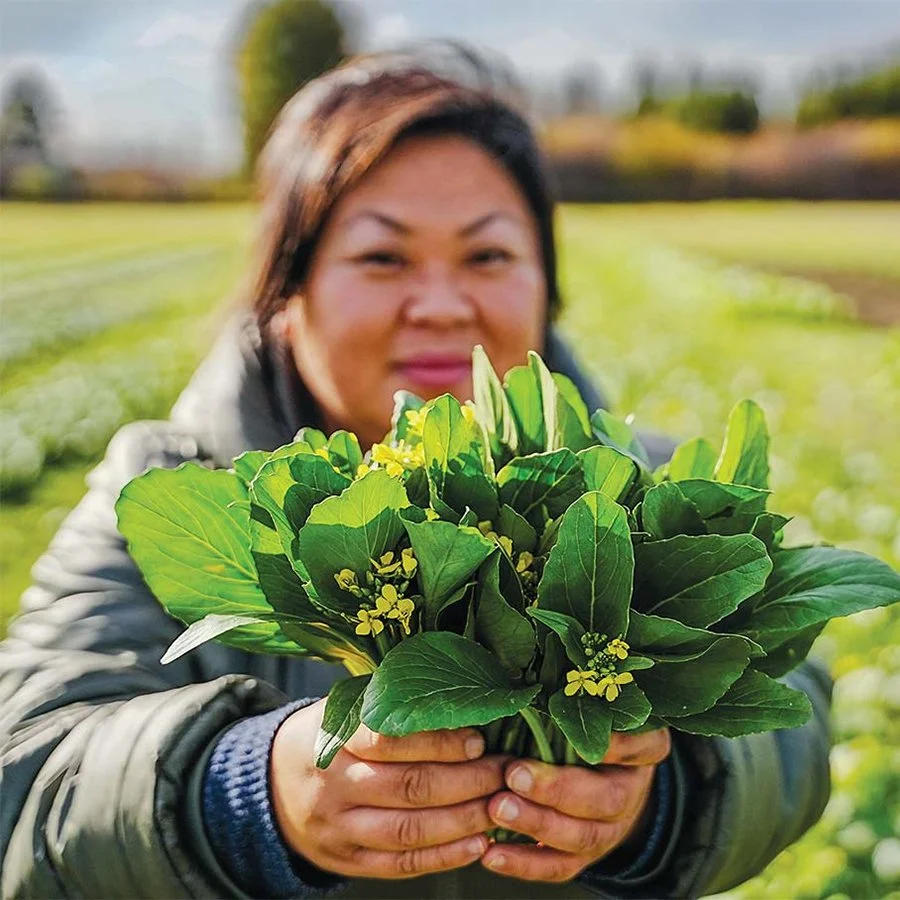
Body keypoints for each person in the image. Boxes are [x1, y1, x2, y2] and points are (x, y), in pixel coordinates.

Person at [0, 46, 832, 900]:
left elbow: (792, 712)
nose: (440, 304)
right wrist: (242, 794)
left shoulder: (641, 493)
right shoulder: (171, 483)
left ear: (547, 288)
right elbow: (21, 777)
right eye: (382, 259)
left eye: (489, 257)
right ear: (287, 295)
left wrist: (662, 798)